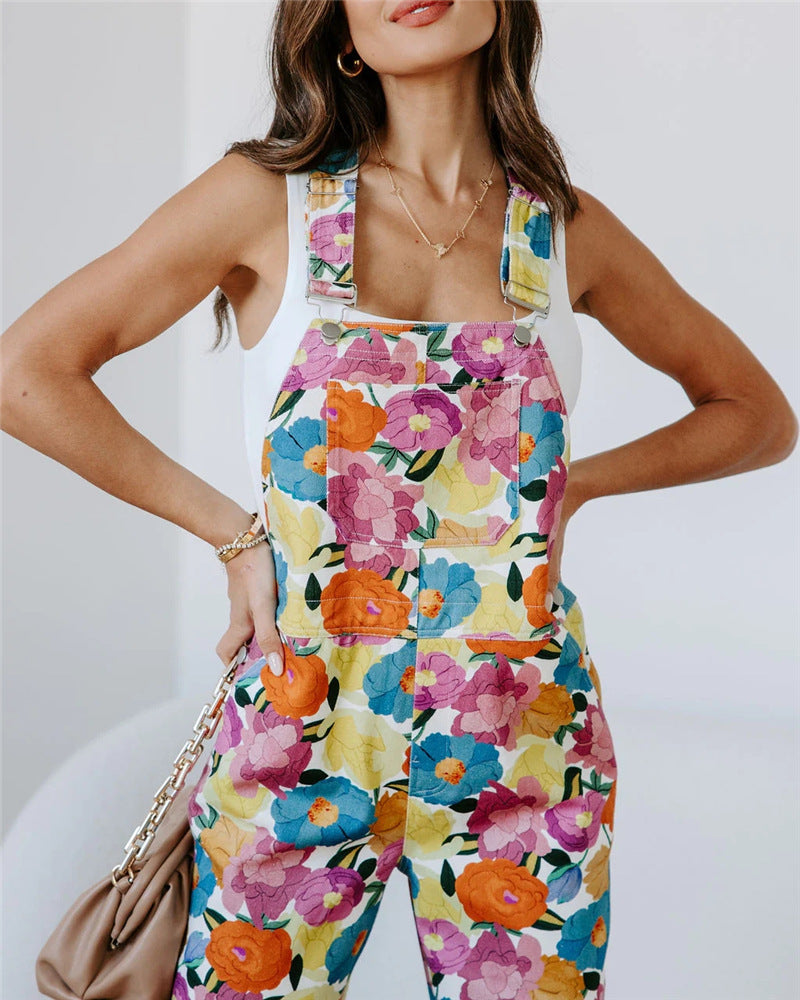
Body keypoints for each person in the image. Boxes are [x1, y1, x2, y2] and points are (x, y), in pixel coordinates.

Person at [2, 1, 796, 998]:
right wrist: (232, 536)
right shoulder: (265, 201)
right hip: (302, 712)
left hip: (520, 725)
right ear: (337, 29)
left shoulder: (562, 230)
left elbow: (757, 416)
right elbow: (27, 374)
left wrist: (576, 487)